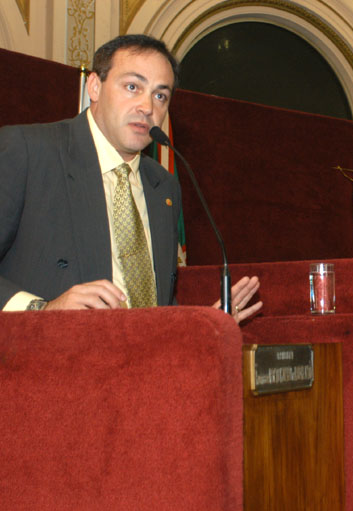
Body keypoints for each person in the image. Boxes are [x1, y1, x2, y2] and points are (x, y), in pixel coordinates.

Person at [0, 34, 261, 323]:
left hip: (140, 364)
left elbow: (155, 307)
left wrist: (200, 327)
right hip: (46, 359)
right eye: (133, 86)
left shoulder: (163, 184)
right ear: (95, 87)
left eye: (160, 95)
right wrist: (42, 310)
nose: (147, 107)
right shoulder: (28, 151)